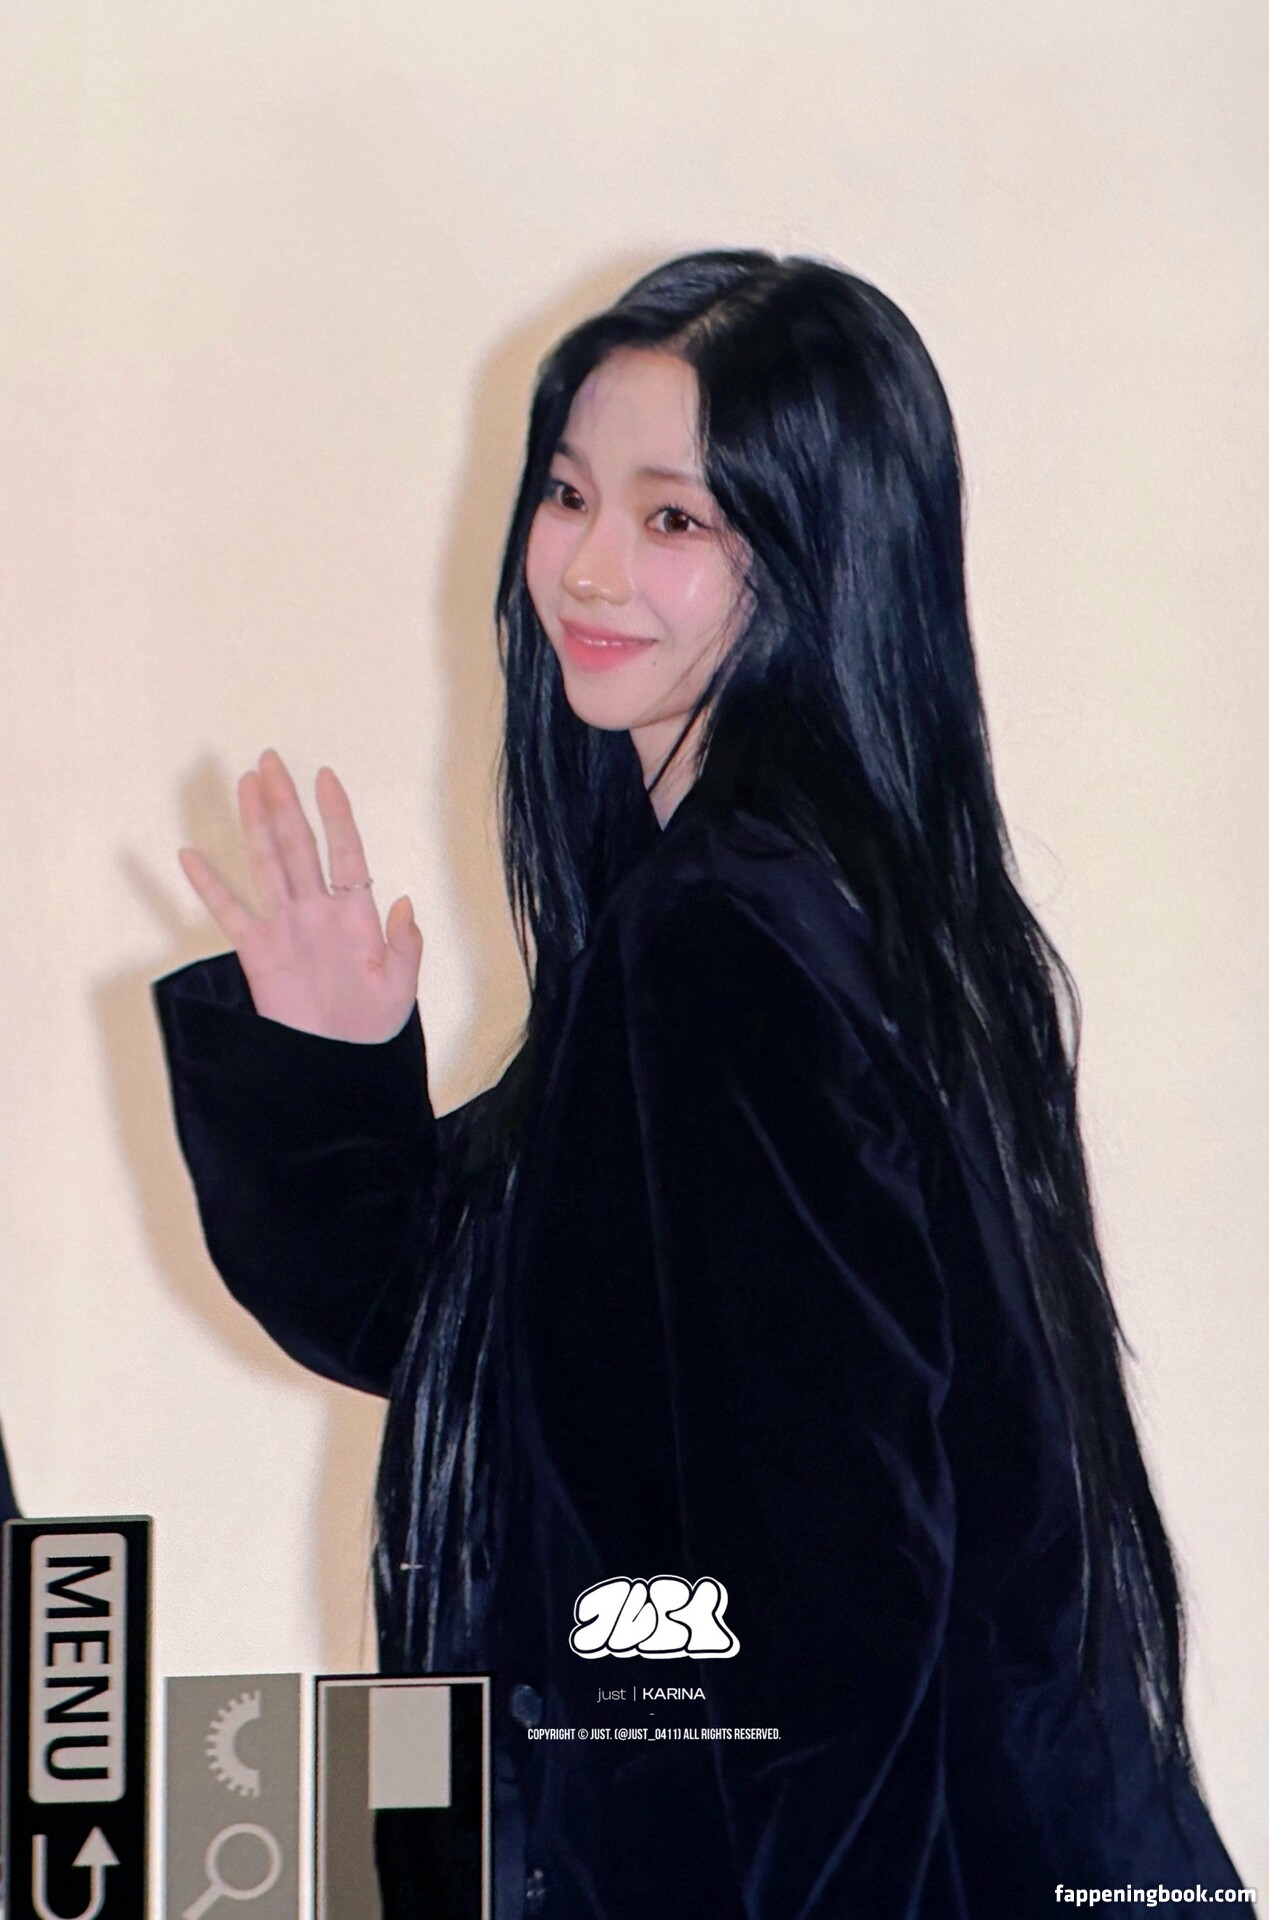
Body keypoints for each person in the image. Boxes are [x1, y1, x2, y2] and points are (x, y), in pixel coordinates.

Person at [153, 251, 1246, 1917]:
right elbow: (471, 1339)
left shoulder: (727, 935)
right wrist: (327, 1063)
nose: (587, 566)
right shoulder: (809, 901)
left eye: (674, 517)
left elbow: (837, 1594)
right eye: (566, 494)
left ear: (816, 551)